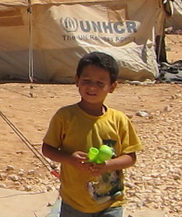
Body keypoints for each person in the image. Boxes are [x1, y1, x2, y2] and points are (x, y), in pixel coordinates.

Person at [41, 51, 143, 216]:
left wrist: (107, 165)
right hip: (74, 202)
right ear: (77, 80)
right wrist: (70, 159)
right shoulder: (65, 116)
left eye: (100, 83)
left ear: (112, 87)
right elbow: (48, 149)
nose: (92, 87)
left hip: (110, 202)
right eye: (86, 81)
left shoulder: (119, 120)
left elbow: (130, 157)